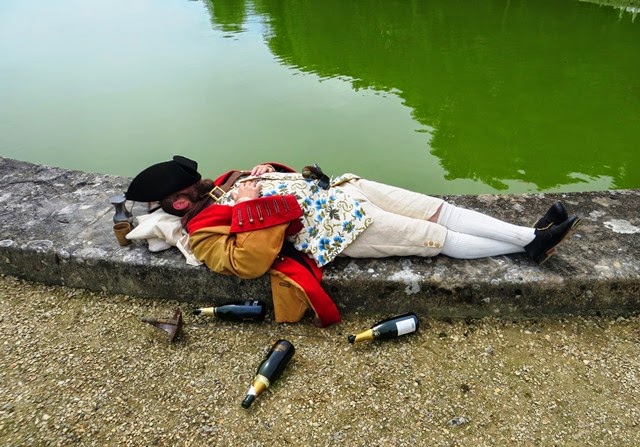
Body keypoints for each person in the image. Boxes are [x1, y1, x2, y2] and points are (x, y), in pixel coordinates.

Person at [125, 155, 580, 327]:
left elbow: (271, 178)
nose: (198, 187)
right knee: (436, 236)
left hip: (345, 191)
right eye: (188, 190)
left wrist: (263, 172)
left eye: (193, 183)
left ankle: (531, 235)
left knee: (437, 208)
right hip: (341, 229)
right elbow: (247, 263)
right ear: (175, 205)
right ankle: (532, 244)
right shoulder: (203, 233)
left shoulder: (223, 184)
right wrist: (246, 205)